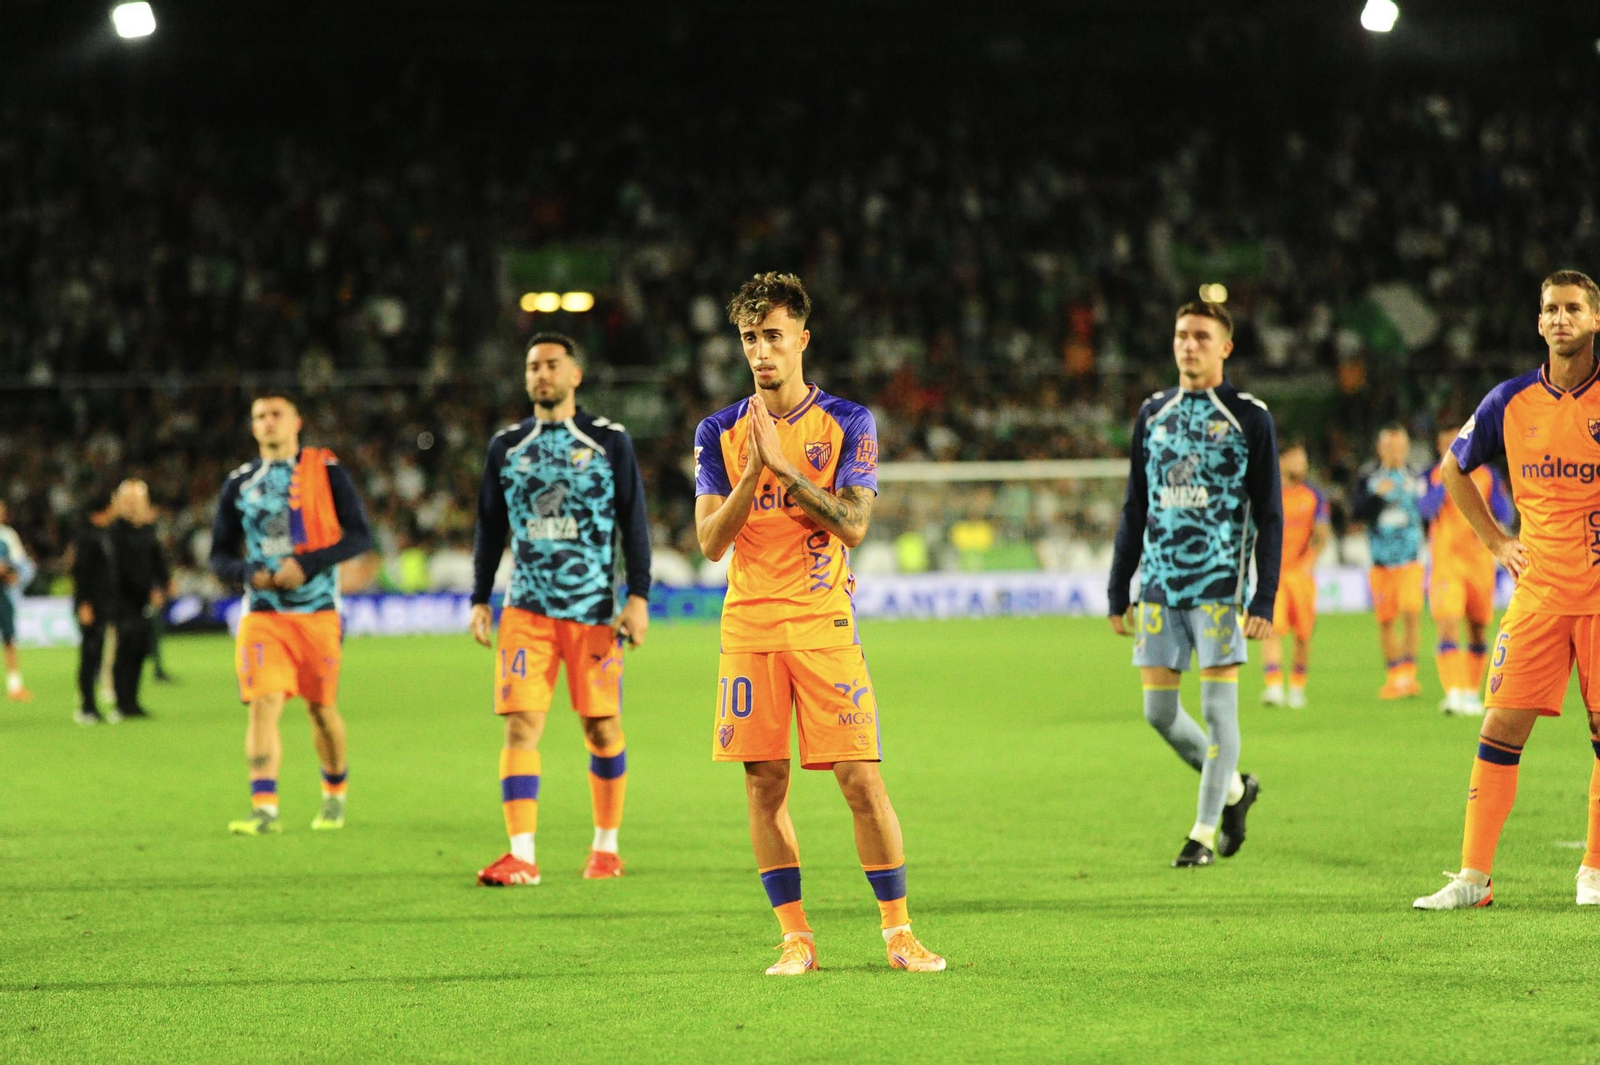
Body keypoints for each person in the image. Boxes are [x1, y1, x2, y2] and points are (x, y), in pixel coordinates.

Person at [694, 272, 944, 977]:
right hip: (749, 626)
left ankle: (899, 933)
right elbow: (711, 542)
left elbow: (856, 524)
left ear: (803, 338)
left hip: (823, 621)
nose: (761, 351)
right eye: (750, 338)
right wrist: (752, 474)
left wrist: (789, 474)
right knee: (763, 783)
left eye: (773, 336)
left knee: (861, 778)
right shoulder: (718, 431)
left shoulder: (848, 422)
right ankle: (795, 937)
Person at [1414, 270, 1600, 909]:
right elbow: (1452, 469)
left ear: (1594, 320)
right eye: (1550, 309)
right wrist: (1496, 542)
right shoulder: (1509, 401)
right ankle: (1473, 878)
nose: (1559, 319)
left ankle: (1594, 874)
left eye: (1572, 308)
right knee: (1499, 725)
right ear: (1538, 321)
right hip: (1540, 593)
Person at [470, 332, 652, 886]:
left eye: (552, 364)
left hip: (593, 609)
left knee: (601, 728)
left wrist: (638, 596)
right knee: (521, 727)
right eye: (532, 366)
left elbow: (633, 520)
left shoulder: (608, 441)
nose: (540, 374)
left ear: (576, 375)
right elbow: (489, 527)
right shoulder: (506, 446)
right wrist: (479, 597)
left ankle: (606, 847)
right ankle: (522, 856)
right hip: (525, 609)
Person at [1108, 300, 1281, 868]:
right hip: (1158, 586)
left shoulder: (1249, 417)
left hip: (1218, 589)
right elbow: (1136, 504)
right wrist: (1119, 586)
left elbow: (1270, 513)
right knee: (1157, 713)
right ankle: (1234, 791)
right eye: (1182, 335)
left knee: (1218, 711)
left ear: (1225, 347)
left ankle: (1202, 833)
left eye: (1202, 337)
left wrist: (1263, 595)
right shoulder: (1153, 414)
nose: (1189, 345)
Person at [210, 393, 373, 835]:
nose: (267, 423)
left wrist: (309, 564)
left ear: (297, 422)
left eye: (275, 414)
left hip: (318, 612)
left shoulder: (326, 472)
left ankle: (334, 794)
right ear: (252, 426)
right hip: (263, 614)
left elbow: (360, 537)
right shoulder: (240, 483)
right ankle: (264, 808)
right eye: (259, 416)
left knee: (321, 709)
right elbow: (218, 556)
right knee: (262, 706)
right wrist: (249, 572)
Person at [1420, 422, 1512, 717]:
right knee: (1447, 622)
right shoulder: (1431, 476)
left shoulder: (1488, 476)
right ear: (1438, 446)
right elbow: (1425, 509)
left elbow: (1506, 512)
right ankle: (1454, 692)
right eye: (1447, 442)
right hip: (1447, 563)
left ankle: (1472, 692)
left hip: (1480, 563)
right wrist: (1448, 479)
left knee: (1477, 628)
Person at [1353, 425, 1427, 700]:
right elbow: (1356, 512)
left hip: (1411, 559)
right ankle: (1394, 677)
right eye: (1390, 447)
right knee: (1386, 620)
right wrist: (1376, 497)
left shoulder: (1418, 477)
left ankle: (1409, 674)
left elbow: (1429, 511)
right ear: (1380, 448)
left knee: (1411, 613)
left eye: (1399, 446)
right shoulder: (1368, 477)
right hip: (1381, 560)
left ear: (1406, 448)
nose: (1395, 452)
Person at [1261, 440, 1329, 708]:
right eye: (1295, 458)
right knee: (1271, 629)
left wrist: (1309, 561)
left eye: (1304, 458)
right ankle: (1274, 685)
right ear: (1282, 461)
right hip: (1274, 574)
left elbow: (1321, 534)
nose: (1301, 464)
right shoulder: (1268, 493)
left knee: (1302, 634)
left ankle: (1298, 686)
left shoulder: (1314, 494)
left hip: (1301, 575)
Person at [108, 479, 170, 720]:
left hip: (143, 600)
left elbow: (157, 561)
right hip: (122, 600)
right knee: (124, 652)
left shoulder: (147, 531)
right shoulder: (115, 532)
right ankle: (121, 703)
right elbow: (119, 570)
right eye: (129, 501)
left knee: (138, 651)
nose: (133, 506)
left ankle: (132, 702)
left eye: (138, 501)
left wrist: (163, 584)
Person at [72, 485, 119, 726]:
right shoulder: (87, 537)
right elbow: (81, 574)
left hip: (103, 604)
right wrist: (83, 604)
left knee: (97, 654)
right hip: (91, 605)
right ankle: (86, 705)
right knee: (89, 654)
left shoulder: (103, 534)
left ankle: (91, 705)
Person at [0, 500, 36, 702]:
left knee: (9, 639)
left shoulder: (7, 536)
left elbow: (21, 565)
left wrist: (13, 576)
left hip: (2, 594)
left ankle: (14, 686)